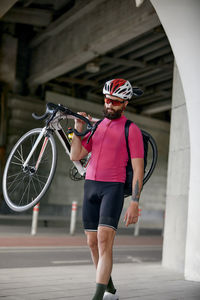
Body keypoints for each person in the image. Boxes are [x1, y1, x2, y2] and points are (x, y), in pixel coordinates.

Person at [70, 78, 144, 300]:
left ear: (125, 104)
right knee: (92, 243)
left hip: (112, 188)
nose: (109, 104)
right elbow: (76, 155)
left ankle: (98, 296)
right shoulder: (98, 126)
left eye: (115, 101)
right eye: (107, 100)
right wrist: (78, 129)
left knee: (104, 240)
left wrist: (134, 202)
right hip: (90, 186)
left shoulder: (132, 130)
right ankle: (111, 291)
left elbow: (138, 170)